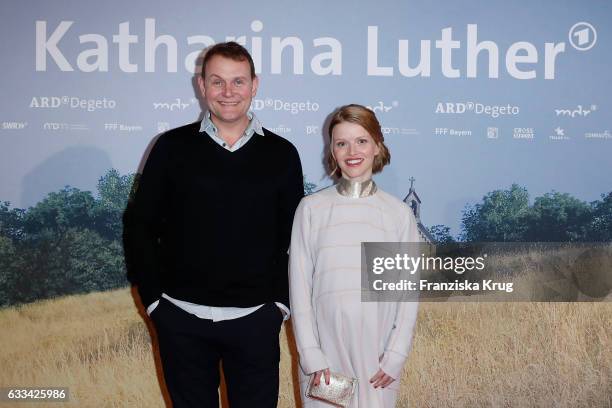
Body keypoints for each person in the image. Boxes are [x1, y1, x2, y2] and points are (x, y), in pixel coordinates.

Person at [123, 41, 304, 407]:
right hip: (180, 318)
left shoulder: (282, 154)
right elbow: (139, 225)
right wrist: (156, 303)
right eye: (217, 81)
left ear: (255, 85)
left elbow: (295, 238)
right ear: (201, 85)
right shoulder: (171, 147)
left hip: (255, 320)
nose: (228, 92)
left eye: (238, 82)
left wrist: (280, 305)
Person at [289, 104, 420, 407]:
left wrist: (395, 355)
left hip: (378, 361)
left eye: (361, 140)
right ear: (332, 151)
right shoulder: (312, 209)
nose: (352, 151)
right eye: (341, 143)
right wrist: (310, 354)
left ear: (377, 146)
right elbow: (299, 289)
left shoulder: (397, 214)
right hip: (325, 363)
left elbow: (406, 293)